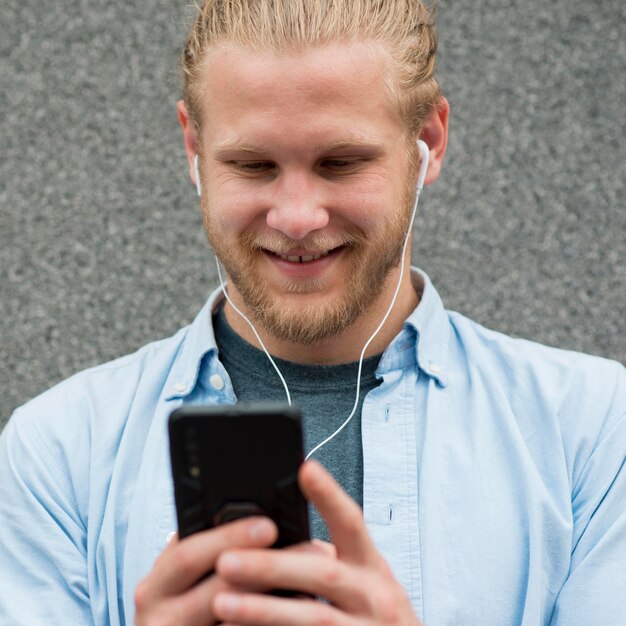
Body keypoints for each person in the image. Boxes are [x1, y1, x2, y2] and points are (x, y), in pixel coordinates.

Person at [1, 0, 625, 624]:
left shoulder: (594, 434)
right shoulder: (57, 455)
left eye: (342, 162)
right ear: (194, 148)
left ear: (428, 143)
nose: (297, 218)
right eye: (252, 165)